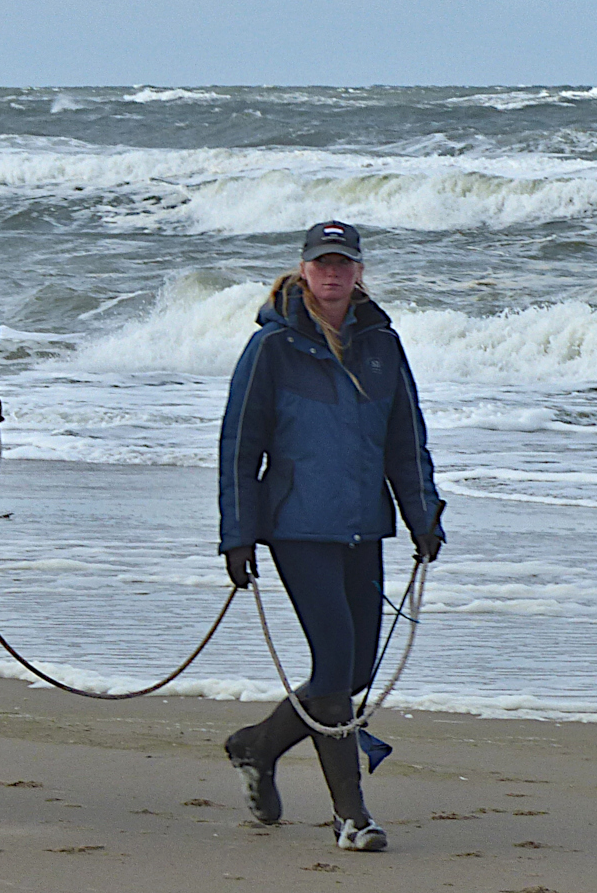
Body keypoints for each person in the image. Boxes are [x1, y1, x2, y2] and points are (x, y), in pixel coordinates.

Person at [216, 219, 446, 852]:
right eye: (323, 263)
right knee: (335, 661)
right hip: (297, 528)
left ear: (359, 271)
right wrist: (238, 535)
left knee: (353, 671)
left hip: (363, 527)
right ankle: (352, 817)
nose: (333, 273)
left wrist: (423, 515)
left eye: (344, 263)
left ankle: (256, 746)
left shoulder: (382, 345)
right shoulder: (272, 349)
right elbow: (241, 445)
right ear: (304, 269)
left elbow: (406, 440)